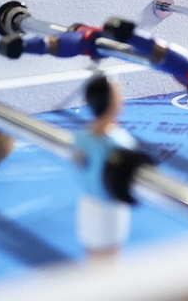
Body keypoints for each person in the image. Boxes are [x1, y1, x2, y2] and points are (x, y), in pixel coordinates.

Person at [73, 73, 138, 258]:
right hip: (110, 207)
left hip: (88, 204)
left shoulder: (81, 138)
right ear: (112, 103)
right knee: (110, 259)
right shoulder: (120, 142)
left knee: (93, 255)